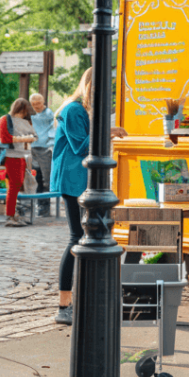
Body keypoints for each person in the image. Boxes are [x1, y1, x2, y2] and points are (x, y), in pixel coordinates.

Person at [51, 68, 128, 325]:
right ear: (90, 86)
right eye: (102, 88)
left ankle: (81, 299)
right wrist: (109, 132)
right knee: (76, 238)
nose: (106, 94)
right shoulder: (74, 109)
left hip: (80, 180)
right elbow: (80, 146)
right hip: (73, 180)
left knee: (86, 237)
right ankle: (64, 304)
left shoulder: (81, 110)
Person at [0, 98, 37, 228]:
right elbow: (4, 138)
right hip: (11, 156)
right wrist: (25, 138)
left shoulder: (23, 122)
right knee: (14, 186)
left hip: (21, 156)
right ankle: (10, 215)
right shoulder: (5, 119)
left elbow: (34, 136)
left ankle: (14, 214)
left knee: (17, 186)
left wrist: (28, 138)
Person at [30, 93, 56, 216]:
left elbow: (53, 129)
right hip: (33, 149)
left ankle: (45, 207)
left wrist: (51, 145)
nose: (36, 106)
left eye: (38, 104)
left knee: (46, 179)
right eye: (33, 104)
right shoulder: (31, 115)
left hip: (45, 150)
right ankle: (39, 205)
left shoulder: (49, 114)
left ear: (43, 102)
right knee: (36, 178)